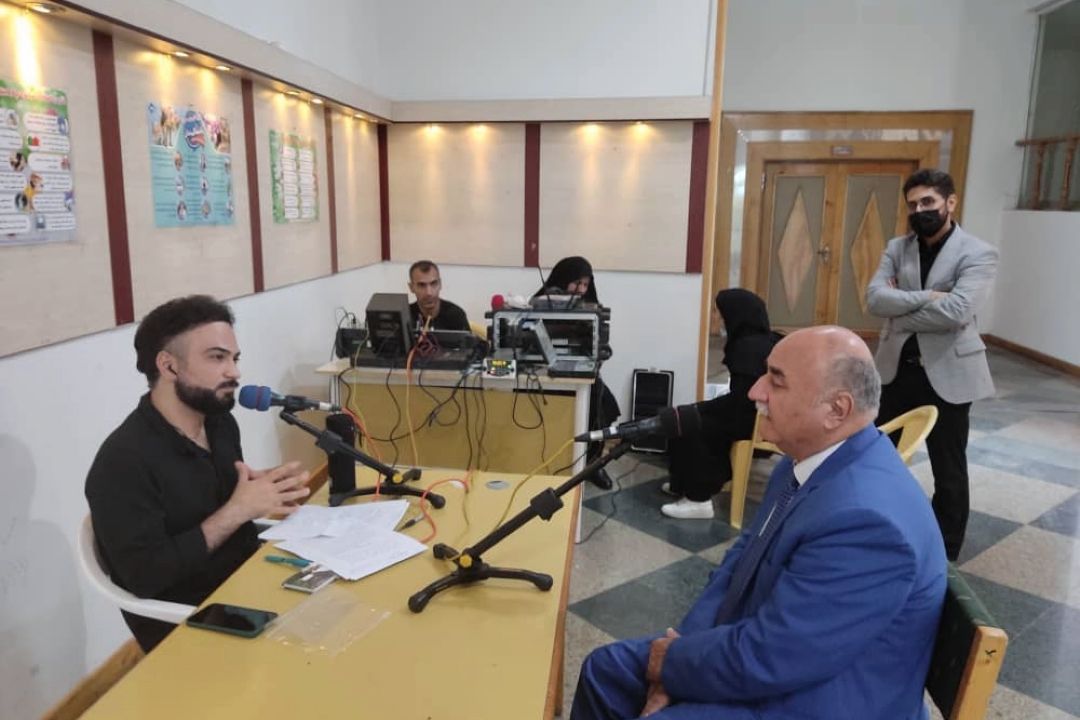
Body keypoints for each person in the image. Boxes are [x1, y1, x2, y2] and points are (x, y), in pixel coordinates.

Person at [572, 326, 947, 720]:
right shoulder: (800, 464)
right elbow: (739, 566)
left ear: (836, 410)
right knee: (606, 671)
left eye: (776, 381)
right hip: (779, 656)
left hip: (823, 697)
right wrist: (682, 650)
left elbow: (779, 655)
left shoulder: (867, 522)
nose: (755, 391)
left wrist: (673, 667)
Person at [85, 295, 311, 652]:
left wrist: (265, 488)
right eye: (217, 358)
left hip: (251, 582)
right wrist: (238, 509)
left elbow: (215, 503)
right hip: (195, 621)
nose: (234, 372)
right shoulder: (121, 463)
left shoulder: (219, 424)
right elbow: (145, 576)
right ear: (169, 366)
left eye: (235, 358)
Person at [866, 168, 998, 561]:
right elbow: (874, 299)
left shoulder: (977, 252)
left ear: (950, 203)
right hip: (896, 370)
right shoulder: (897, 248)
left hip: (949, 373)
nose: (920, 211)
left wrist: (900, 311)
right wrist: (930, 297)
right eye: (913, 205)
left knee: (948, 467)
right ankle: (872, 530)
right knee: (874, 456)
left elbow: (958, 311)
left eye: (928, 202)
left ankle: (944, 552)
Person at [661, 289, 780, 519]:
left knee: (693, 424)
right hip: (755, 413)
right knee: (684, 415)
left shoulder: (748, 348)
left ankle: (699, 499)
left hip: (753, 420)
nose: (718, 318)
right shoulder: (763, 339)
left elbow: (742, 402)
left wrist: (701, 409)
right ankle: (682, 483)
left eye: (720, 313)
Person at [535, 256, 620, 488]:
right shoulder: (541, 303)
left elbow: (600, 346)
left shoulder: (592, 307)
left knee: (601, 404)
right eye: (576, 283)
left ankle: (592, 464)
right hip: (545, 377)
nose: (581, 290)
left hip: (582, 375)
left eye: (585, 284)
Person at [407, 260, 470, 332]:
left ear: (440, 284)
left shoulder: (456, 315)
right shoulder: (405, 316)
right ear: (411, 287)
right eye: (421, 285)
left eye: (433, 283)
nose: (429, 292)